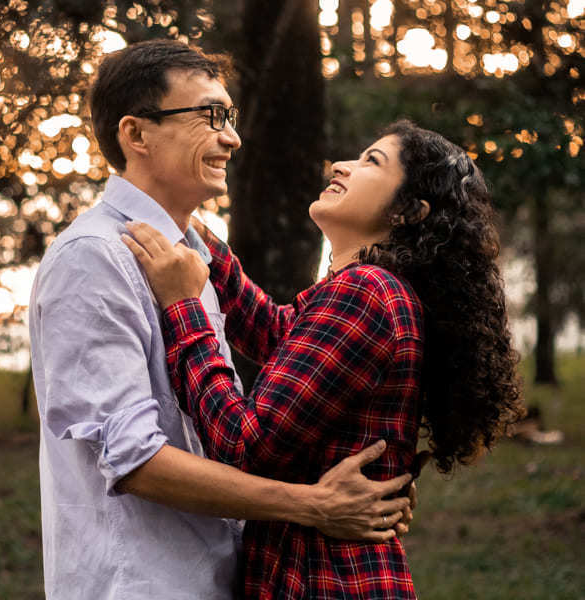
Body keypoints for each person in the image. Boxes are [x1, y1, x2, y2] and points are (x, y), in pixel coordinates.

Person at [29, 40, 416, 600]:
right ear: (136, 135)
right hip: (144, 584)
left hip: (220, 575)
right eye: (209, 116)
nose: (231, 137)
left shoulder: (190, 260)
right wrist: (313, 505)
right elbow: (135, 461)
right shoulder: (93, 257)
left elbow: (292, 351)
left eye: (229, 118)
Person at [122, 120, 525, 599]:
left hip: (324, 577)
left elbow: (241, 443)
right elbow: (278, 332)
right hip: (331, 569)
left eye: (371, 161)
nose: (341, 165)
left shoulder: (366, 292)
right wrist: (192, 234)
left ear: (408, 211)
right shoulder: (367, 290)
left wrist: (182, 306)